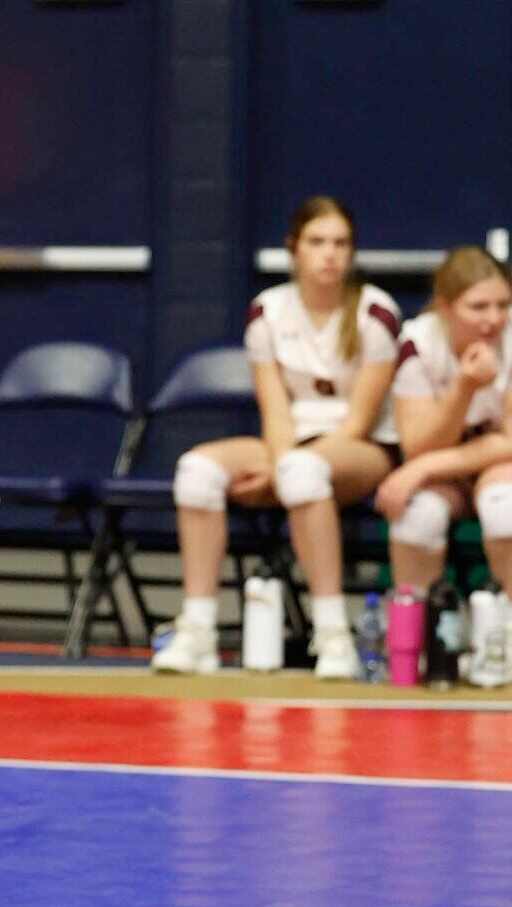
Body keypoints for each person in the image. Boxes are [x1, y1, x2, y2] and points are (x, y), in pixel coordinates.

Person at [153, 197, 402, 678]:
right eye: (317, 242)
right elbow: (276, 410)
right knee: (196, 472)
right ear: (293, 249)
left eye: (340, 243)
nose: (329, 254)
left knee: (302, 472)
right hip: (290, 446)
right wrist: (277, 463)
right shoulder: (267, 311)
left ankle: (333, 635)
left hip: (362, 449)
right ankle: (198, 629)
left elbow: (360, 420)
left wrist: (283, 470)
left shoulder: (375, 313)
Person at [375, 246, 512, 686]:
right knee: (415, 514)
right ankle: (426, 642)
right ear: (446, 307)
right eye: (479, 307)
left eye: (503, 304)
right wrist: (464, 390)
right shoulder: (417, 343)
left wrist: (420, 469)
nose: (493, 318)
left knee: (501, 495)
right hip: (450, 472)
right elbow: (418, 442)